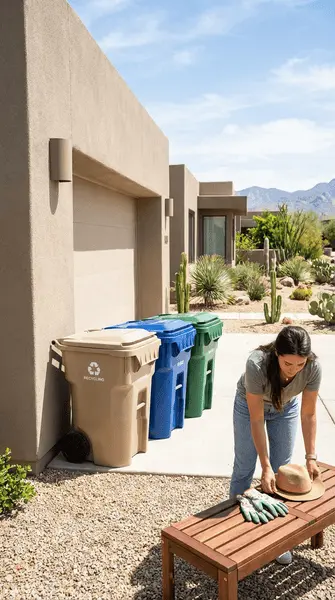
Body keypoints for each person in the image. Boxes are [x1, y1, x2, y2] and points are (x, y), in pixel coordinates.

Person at [229, 326, 322, 565]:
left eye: (300, 364)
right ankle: (235, 538)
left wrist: (311, 456)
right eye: (288, 364)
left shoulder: (313, 367)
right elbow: (257, 419)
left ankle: (277, 539)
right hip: (250, 407)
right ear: (277, 354)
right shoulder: (257, 364)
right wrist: (265, 465)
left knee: (284, 472)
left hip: (286, 408)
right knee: (244, 467)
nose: (294, 371)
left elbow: (309, 413)